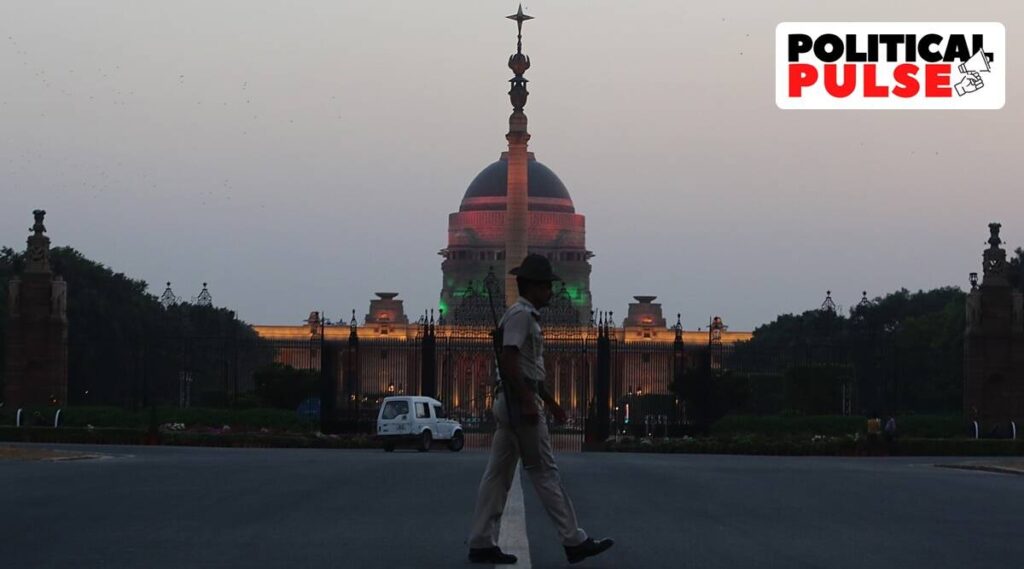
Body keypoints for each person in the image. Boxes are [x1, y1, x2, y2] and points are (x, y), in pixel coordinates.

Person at [467, 254, 614, 565]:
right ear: (532, 286)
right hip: (518, 403)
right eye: (547, 285)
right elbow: (509, 360)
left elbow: (526, 367)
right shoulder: (521, 316)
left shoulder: (521, 315)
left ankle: (480, 541)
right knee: (545, 471)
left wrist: (550, 401)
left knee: (497, 476)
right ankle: (574, 540)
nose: (550, 291)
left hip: (513, 400)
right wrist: (527, 401)